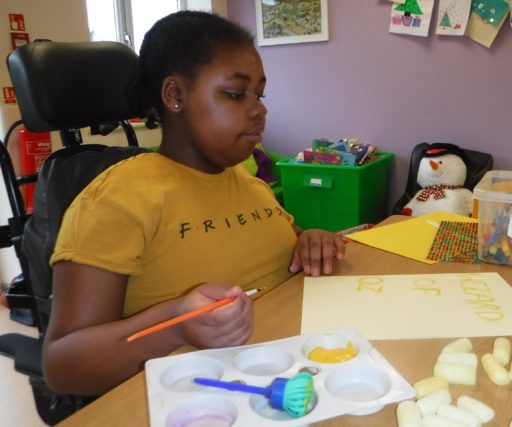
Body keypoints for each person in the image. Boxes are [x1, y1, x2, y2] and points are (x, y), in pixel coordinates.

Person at [43, 11, 345, 397]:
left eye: (260, 94)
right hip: (199, 397)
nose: (259, 109)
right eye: (237, 93)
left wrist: (310, 240)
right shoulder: (118, 199)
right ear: (175, 96)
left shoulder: (248, 183)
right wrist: (176, 325)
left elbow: (282, 245)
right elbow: (62, 365)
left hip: (292, 372)